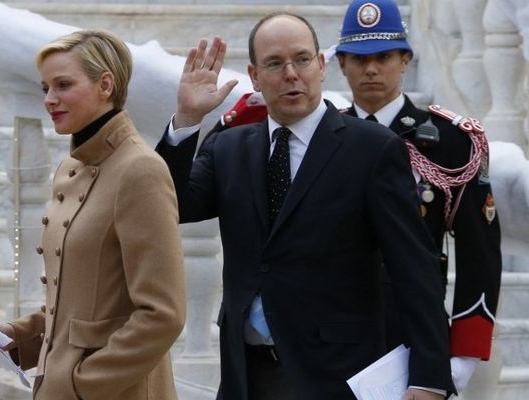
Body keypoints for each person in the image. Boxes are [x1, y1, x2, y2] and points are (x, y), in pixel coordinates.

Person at [204, 0, 503, 395]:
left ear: (405, 60)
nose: (372, 69)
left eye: (383, 57)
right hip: (322, 341)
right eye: (359, 59)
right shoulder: (307, 136)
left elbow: (471, 257)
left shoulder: (449, 141)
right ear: (340, 64)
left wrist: (455, 356)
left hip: (404, 333)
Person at [156, 11, 454, 400]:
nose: (291, 74)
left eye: (301, 59)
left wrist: (429, 374)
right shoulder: (230, 147)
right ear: (255, 76)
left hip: (335, 374)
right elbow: (169, 203)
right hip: (246, 373)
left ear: (321, 65)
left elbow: (415, 268)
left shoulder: (372, 149)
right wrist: (187, 120)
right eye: (275, 64)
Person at [0, 30, 186, 400]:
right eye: (45, 88)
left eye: (63, 85)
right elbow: (79, 305)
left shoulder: (140, 170)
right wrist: (16, 336)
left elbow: (162, 315)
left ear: (105, 84)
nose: (50, 100)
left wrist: (79, 383)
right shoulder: (71, 166)